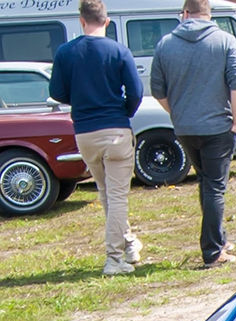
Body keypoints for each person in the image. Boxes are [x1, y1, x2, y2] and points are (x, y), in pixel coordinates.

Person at [49, 0, 143, 276]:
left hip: (85, 131)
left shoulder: (66, 52)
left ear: (81, 21)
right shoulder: (118, 50)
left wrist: (79, 100)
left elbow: (57, 91)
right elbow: (135, 91)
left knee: (106, 193)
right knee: (117, 196)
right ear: (107, 21)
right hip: (115, 128)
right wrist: (122, 112)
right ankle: (114, 259)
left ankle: (128, 245)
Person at [150, 0, 236, 267]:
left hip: (185, 127)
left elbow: (158, 90)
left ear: (185, 13)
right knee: (215, 185)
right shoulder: (225, 41)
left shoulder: (165, 44)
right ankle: (213, 252)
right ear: (208, 13)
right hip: (218, 126)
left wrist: (177, 113)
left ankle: (219, 238)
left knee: (205, 181)